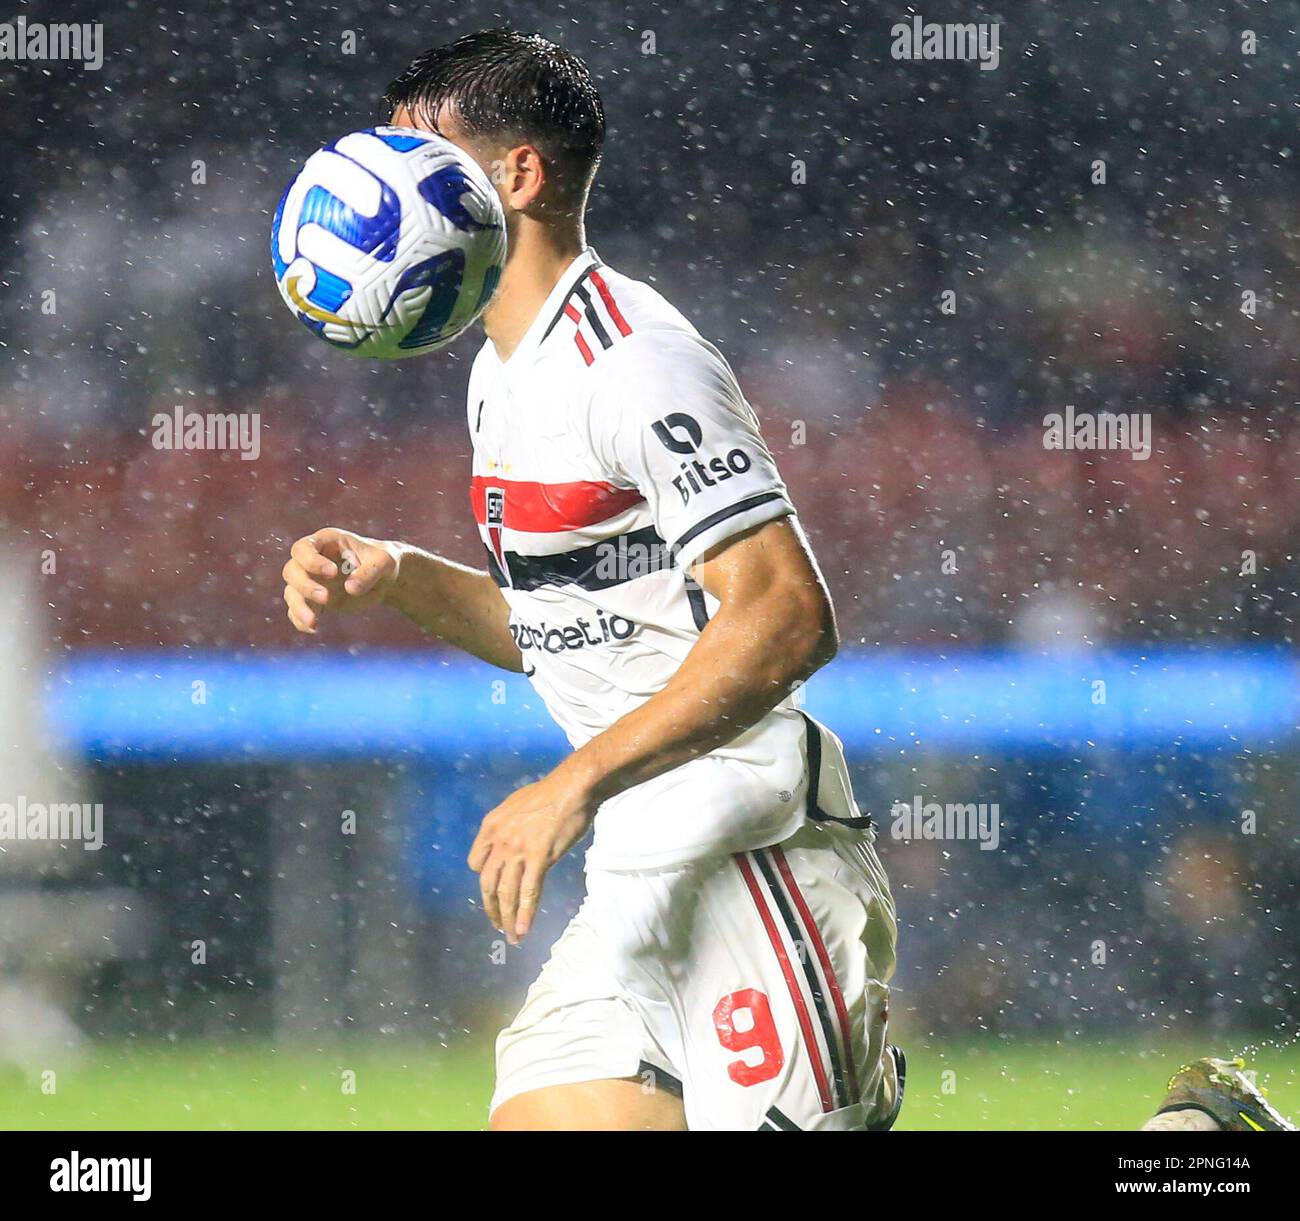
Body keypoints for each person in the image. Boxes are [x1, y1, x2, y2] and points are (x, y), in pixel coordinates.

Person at [280, 29, 899, 1132]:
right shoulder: (498, 374)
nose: (387, 180)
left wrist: (570, 785)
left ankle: (1192, 1143)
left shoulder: (633, 358)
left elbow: (787, 615)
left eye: (418, 153)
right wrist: (400, 575)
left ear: (515, 173)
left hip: (752, 852)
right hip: (638, 863)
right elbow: (563, 630)